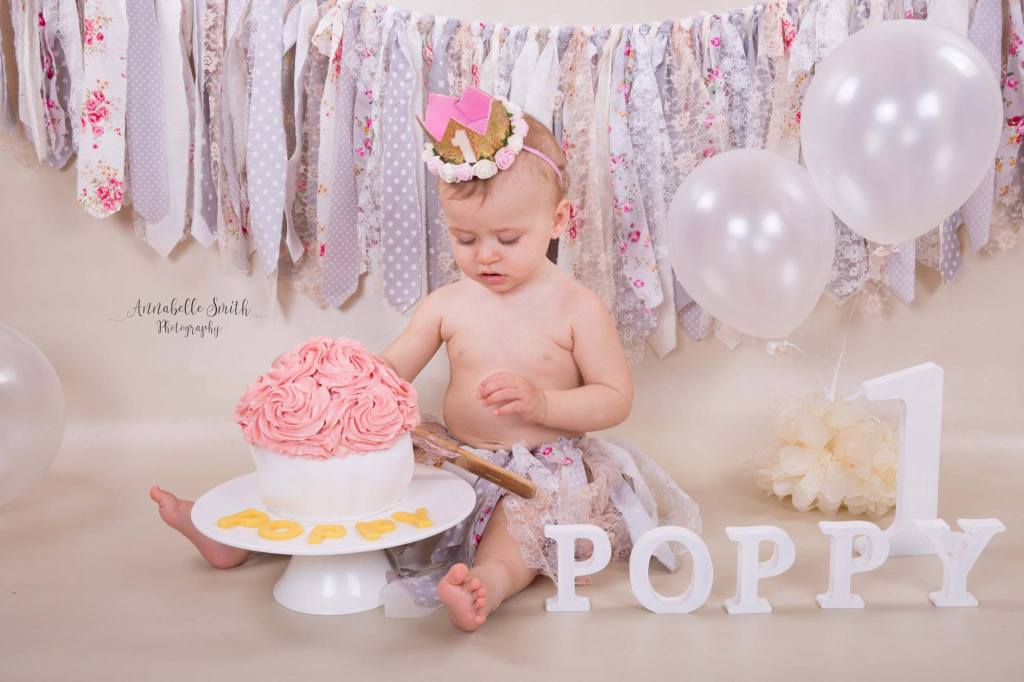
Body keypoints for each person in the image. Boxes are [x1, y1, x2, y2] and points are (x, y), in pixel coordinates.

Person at [151, 88, 700, 631]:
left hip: (540, 466)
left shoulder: (576, 307)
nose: (485, 254)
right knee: (356, 497)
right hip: (453, 457)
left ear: (558, 220)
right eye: (465, 238)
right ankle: (229, 540)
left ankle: (488, 582)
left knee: (522, 531)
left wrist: (543, 401)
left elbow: (614, 397)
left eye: (508, 238)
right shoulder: (447, 304)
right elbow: (385, 376)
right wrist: (324, 387)